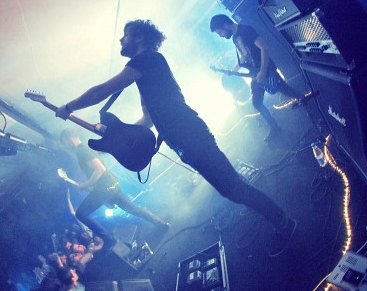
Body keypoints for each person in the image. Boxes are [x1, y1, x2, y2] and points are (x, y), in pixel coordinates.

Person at [55, 19, 296, 257]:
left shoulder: (148, 59)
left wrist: (69, 107)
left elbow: (102, 90)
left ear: (140, 37)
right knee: (230, 188)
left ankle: (283, 222)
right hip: (183, 141)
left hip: (190, 135)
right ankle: (269, 212)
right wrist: (115, 140)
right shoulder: (144, 74)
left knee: (233, 187)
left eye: (125, 35)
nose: (121, 39)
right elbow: (148, 119)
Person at [210, 14, 301, 142]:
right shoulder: (235, 38)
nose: (220, 35)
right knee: (257, 103)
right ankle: (274, 127)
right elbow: (244, 57)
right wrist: (233, 71)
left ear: (225, 25)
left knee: (286, 90)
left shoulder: (246, 30)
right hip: (255, 74)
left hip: (267, 70)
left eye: (220, 32)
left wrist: (263, 71)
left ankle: (307, 100)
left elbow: (264, 48)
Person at [60, 129, 170, 234]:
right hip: (111, 184)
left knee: (80, 213)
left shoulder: (81, 151)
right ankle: (161, 224)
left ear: (69, 138)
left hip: (105, 188)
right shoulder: (84, 148)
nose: (65, 147)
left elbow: (100, 169)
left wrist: (85, 185)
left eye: (64, 143)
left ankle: (108, 239)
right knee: (133, 209)